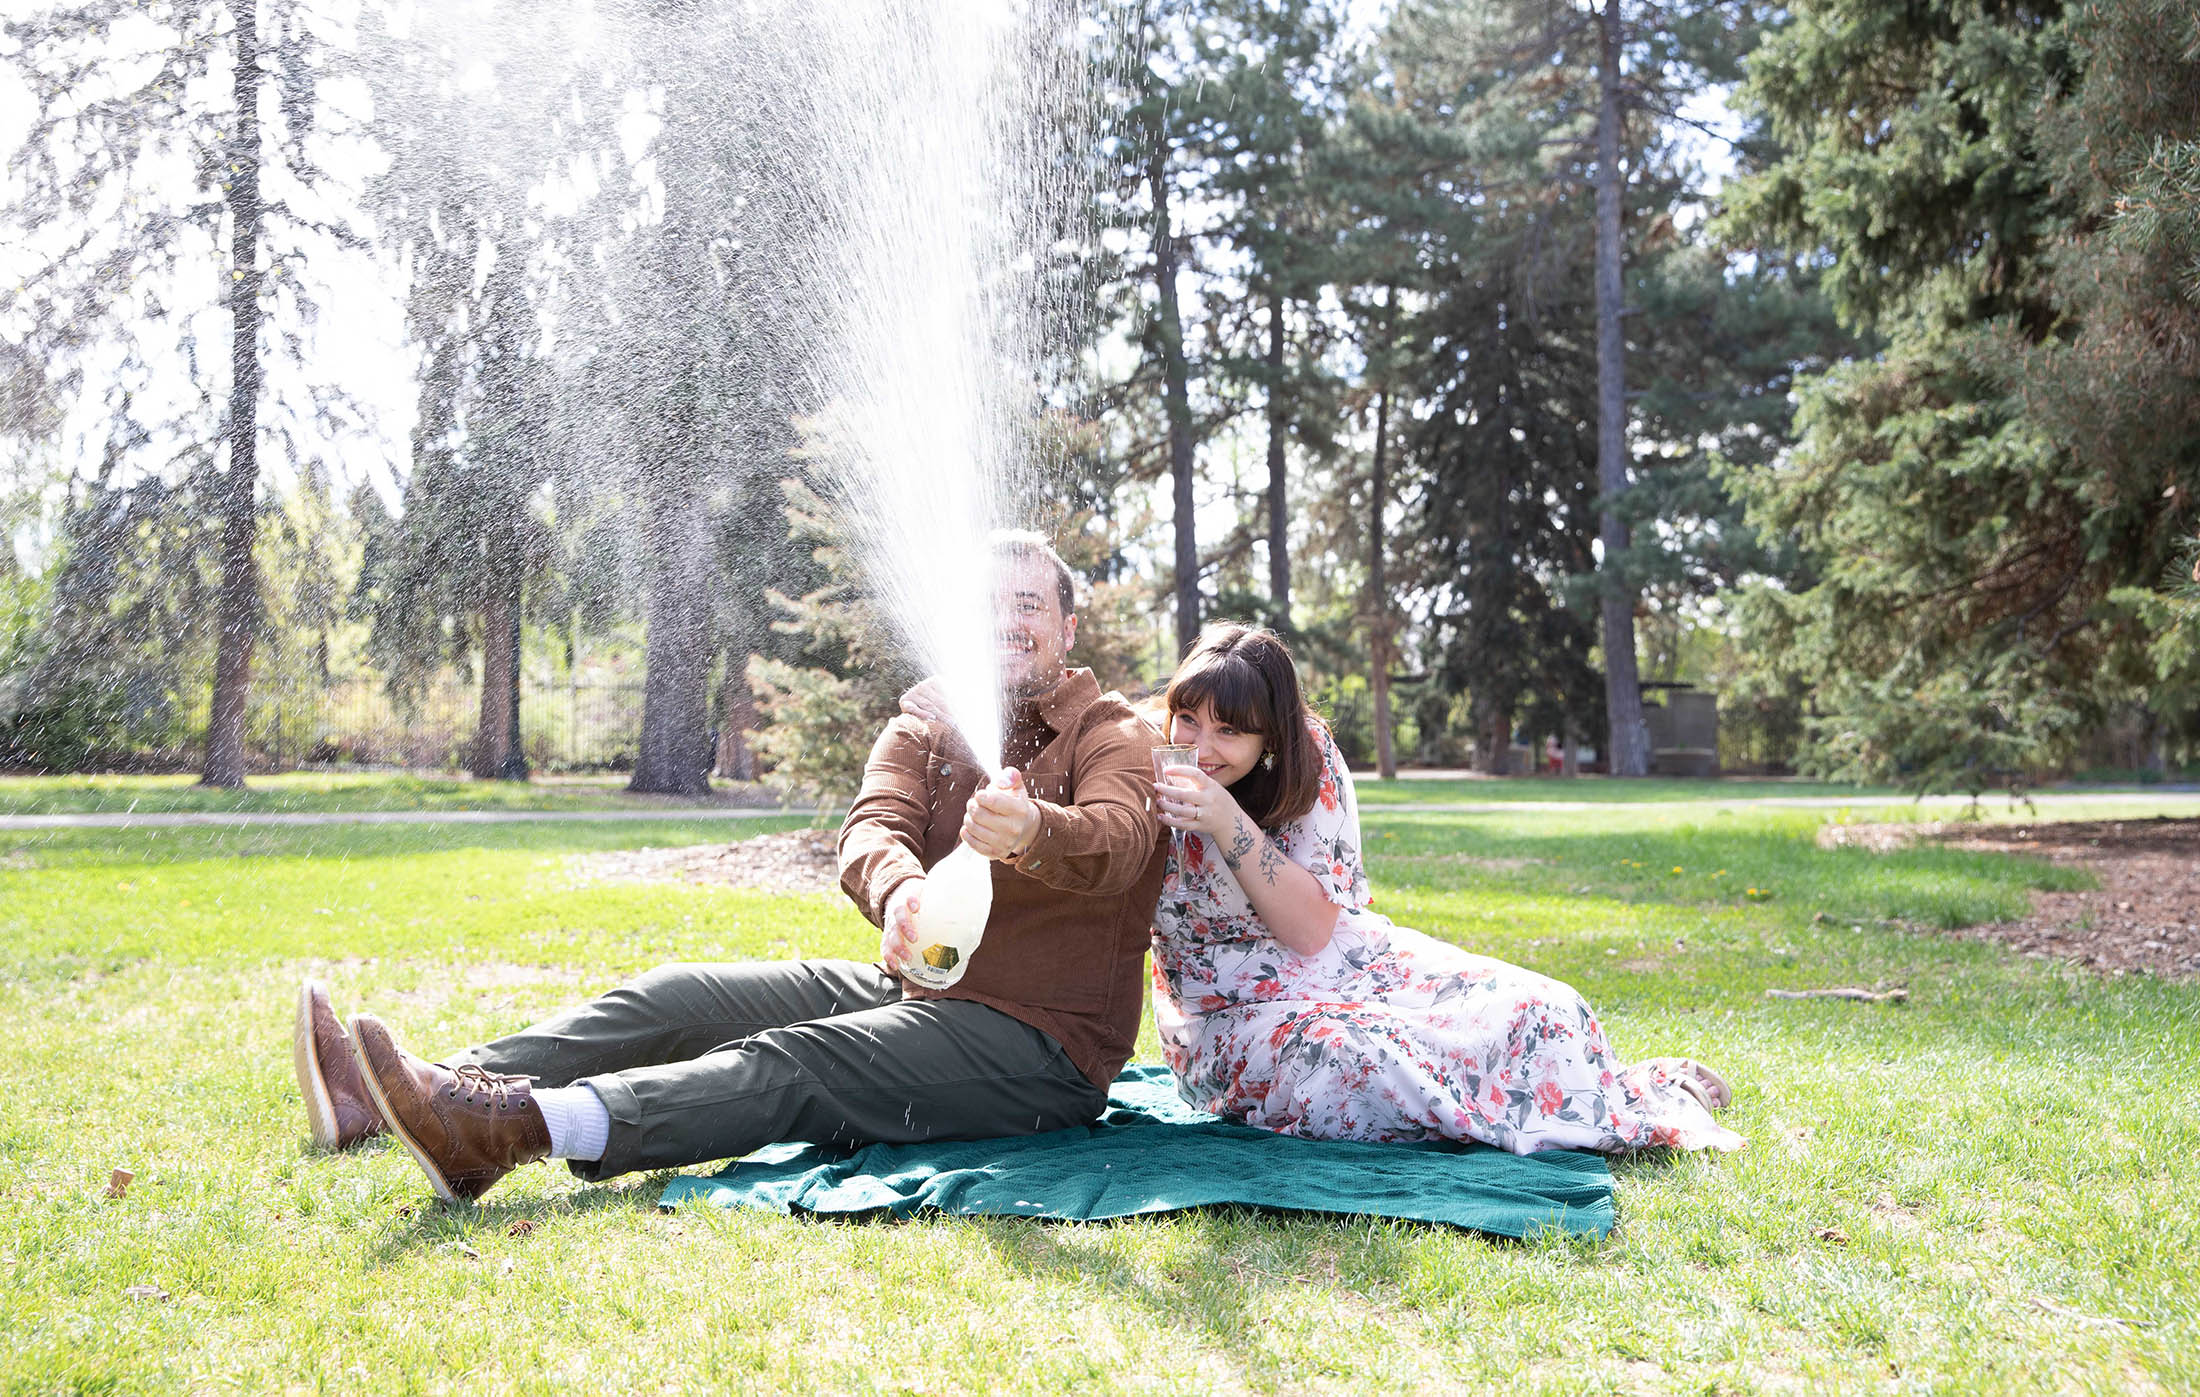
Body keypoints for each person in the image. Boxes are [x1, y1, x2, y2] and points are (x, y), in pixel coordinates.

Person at [293, 532, 1168, 1202]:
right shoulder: (927, 723)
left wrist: (1031, 828)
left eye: (1027, 605)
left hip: (1042, 1047)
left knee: (795, 1061)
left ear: (1065, 627)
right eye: (987, 605)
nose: (1007, 622)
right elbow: (869, 829)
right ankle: (418, 1089)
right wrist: (898, 886)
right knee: (680, 995)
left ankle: (507, 1133)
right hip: (921, 993)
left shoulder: (1113, 732)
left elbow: (1120, 841)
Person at [1146, 623, 1743, 1155]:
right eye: (1189, 718)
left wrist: (1227, 821)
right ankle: (1573, 1105)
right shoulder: (1145, 761)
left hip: (1344, 963)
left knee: (1542, 1005)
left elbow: (1310, 931)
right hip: (1226, 1016)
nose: (1199, 745)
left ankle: (1635, 1091)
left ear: (1269, 738)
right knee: (1346, 1058)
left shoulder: (1308, 758)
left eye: (1229, 730)